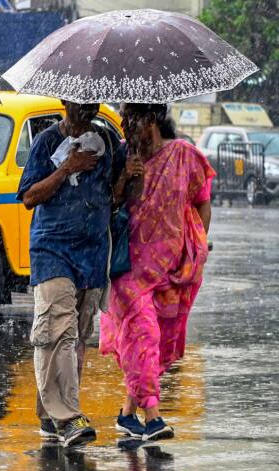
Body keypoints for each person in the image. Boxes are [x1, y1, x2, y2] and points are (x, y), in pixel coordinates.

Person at [100, 103, 213, 442]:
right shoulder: (121, 157)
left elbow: (201, 202)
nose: (125, 125)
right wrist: (125, 178)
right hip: (128, 267)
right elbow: (107, 204)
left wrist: (196, 247)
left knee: (153, 344)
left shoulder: (183, 155)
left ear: (150, 119)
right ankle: (153, 416)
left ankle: (126, 414)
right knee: (143, 334)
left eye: (130, 118)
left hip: (171, 268)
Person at [16, 101, 121, 447]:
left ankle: (50, 413)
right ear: (65, 102)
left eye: (92, 104)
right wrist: (67, 167)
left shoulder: (106, 142)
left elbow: (113, 198)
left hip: (91, 255)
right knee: (56, 329)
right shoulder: (46, 142)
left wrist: (129, 176)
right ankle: (68, 416)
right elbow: (29, 196)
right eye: (80, 104)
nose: (87, 110)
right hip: (52, 250)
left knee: (74, 338)